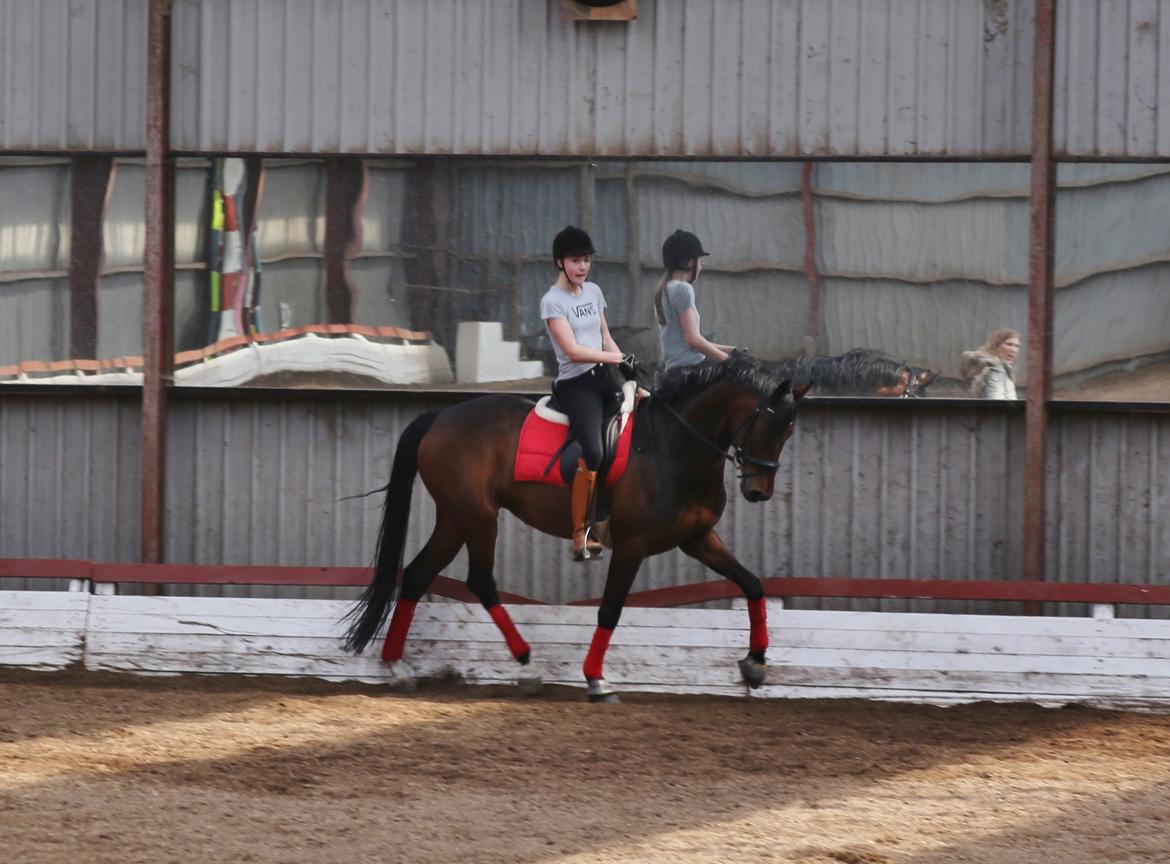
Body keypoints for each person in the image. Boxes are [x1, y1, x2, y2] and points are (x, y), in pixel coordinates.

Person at [541, 226, 634, 562]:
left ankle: (614, 509)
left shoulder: (593, 291)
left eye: (586, 260)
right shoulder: (552, 302)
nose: (582, 267)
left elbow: (605, 336)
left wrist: (625, 366)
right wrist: (616, 359)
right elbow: (574, 351)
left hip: (603, 377)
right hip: (577, 384)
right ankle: (581, 534)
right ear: (559, 262)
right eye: (575, 261)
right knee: (593, 451)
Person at [654, 229, 736, 371]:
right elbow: (693, 340)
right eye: (699, 261)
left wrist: (733, 351)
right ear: (689, 263)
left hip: (675, 370)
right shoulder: (683, 289)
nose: (700, 267)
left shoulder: (665, 289)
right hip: (691, 369)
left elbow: (691, 341)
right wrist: (728, 361)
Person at [960, 328, 1021, 399]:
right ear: (996, 345)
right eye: (1009, 344)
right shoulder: (995, 369)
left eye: (1017, 346)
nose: (1013, 350)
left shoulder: (1006, 368)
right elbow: (997, 404)